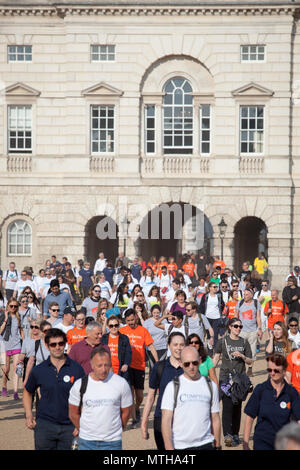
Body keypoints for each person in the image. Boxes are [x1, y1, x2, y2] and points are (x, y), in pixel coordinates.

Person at [23, 328, 85, 450]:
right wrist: (29, 415)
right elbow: (27, 392)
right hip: (44, 426)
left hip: (70, 426)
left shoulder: (76, 369)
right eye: (53, 344)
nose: (57, 347)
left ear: (65, 344)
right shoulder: (39, 370)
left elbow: (85, 396)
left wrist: (81, 422)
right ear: (47, 346)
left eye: (61, 343)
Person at [68, 346, 132, 450]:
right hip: (86, 442)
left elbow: (126, 412)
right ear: (91, 365)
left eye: (106, 365)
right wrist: (84, 430)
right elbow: (73, 413)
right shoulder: (79, 385)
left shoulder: (121, 383)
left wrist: (116, 430)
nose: (103, 369)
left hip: (112, 443)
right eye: (99, 366)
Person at [161, 345, 221, 450]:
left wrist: (218, 445)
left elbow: (215, 418)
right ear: (181, 363)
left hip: (206, 444)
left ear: (200, 360)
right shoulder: (172, 387)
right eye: (187, 364)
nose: (191, 367)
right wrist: (168, 447)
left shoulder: (210, 386)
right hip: (180, 446)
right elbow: (166, 420)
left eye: (195, 363)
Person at [243, 353, 300, 450]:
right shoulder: (260, 389)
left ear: (284, 371)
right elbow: (250, 417)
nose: (272, 373)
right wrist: (245, 443)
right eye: (269, 370)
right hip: (262, 441)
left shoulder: (291, 392)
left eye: (276, 370)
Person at [141, 332, 185, 449]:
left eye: (181, 345)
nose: (178, 348)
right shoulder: (159, 367)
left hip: (183, 420)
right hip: (161, 418)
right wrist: (144, 423)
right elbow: (150, 397)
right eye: (175, 344)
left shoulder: (190, 368)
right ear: (169, 346)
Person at [213, 317, 253, 447]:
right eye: (236, 326)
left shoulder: (244, 342)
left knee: (237, 407)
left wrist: (242, 356)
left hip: (239, 380)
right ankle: (227, 435)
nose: (238, 329)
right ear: (230, 327)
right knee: (227, 406)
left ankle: (235, 434)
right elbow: (216, 359)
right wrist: (207, 372)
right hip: (225, 378)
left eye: (240, 327)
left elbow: (250, 361)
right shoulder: (222, 341)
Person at [119, 309, 158, 427]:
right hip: (126, 366)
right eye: (128, 321)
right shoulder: (122, 331)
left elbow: (151, 346)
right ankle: (135, 419)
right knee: (130, 393)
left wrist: (157, 363)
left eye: (132, 320)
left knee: (140, 396)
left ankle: (136, 409)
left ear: (136, 317)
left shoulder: (143, 330)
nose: (130, 322)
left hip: (139, 366)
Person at [235, 288, 262, 376]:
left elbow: (258, 317)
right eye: (244, 294)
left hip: (253, 331)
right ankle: (241, 369)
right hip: (241, 331)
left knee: (253, 352)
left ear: (251, 295)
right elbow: (236, 315)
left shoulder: (256, 303)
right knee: (240, 351)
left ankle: (250, 368)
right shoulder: (240, 302)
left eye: (246, 294)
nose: (244, 296)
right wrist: (235, 327)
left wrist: (260, 328)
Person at [0, 298, 24, 400]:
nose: (13, 308)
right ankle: (4, 386)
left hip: (16, 345)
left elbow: (21, 330)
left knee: (16, 368)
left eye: (15, 306)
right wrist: (5, 318)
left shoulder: (19, 317)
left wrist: (25, 344)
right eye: (11, 306)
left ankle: (15, 391)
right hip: (4, 345)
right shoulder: (2, 316)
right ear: (8, 306)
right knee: (6, 369)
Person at [101, 315, 132, 383]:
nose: (114, 327)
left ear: (119, 325)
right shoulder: (104, 338)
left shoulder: (124, 338)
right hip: (107, 370)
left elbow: (128, 352)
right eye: (111, 326)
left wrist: (126, 364)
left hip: (121, 370)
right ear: (108, 327)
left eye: (116, 325)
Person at [198, 281, 225, 350]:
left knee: (215, 334)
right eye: (214, 287)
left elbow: (222, 304)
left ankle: (215, 350)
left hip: (216, 317)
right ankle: (210, 350)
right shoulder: (206, 296)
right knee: (209, 335)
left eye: (216, 287)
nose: (216, 288)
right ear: (209, 288)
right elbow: (201, 306)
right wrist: (201, 316)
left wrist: (220, 313)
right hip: (207, 317)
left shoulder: (219, 296)